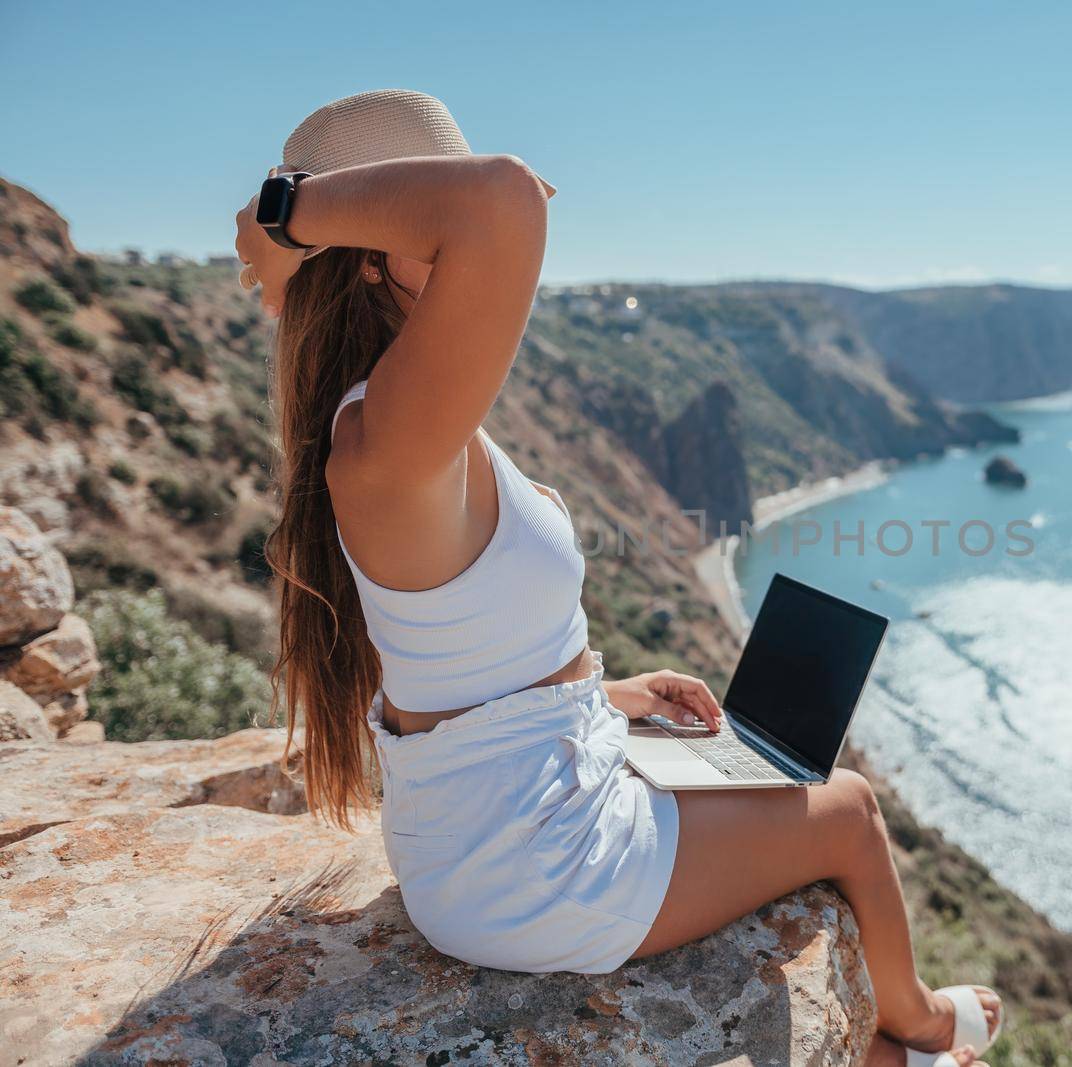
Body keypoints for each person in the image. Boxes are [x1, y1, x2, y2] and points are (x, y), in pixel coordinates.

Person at [237, 89, 1002, 1067]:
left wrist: (608, 699)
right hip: (532, 870)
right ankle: (919, 1027)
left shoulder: (393, 430)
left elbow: (453, 661)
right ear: (379, 247)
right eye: (426, 210)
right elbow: (502, 202)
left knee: (775, 774)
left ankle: (881, 1042)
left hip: (501, 830)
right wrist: (285, 217)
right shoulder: (387, 442)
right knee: (847, 810)